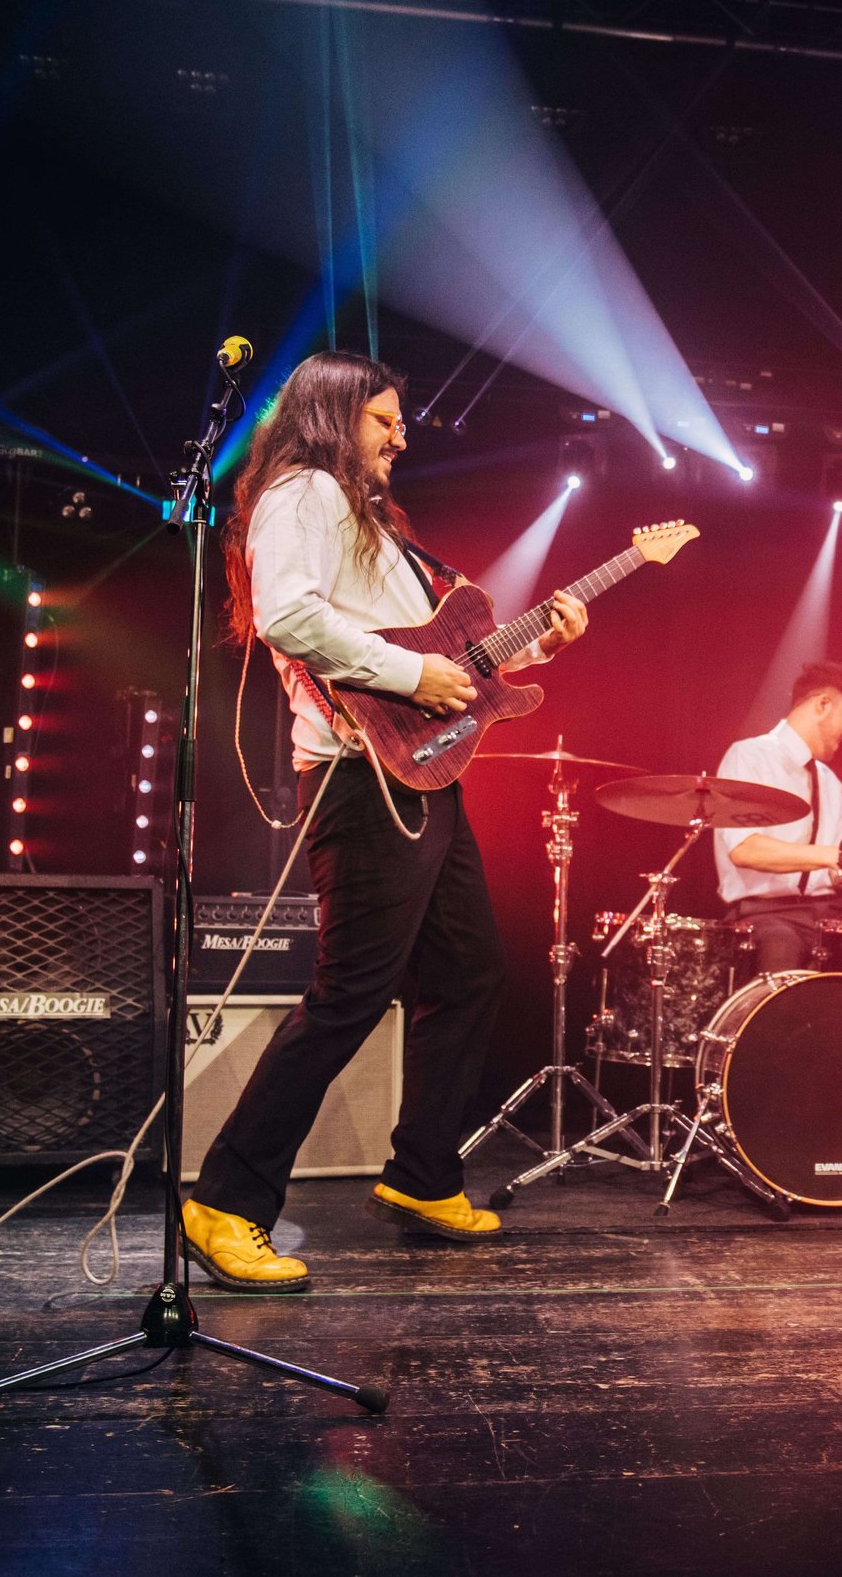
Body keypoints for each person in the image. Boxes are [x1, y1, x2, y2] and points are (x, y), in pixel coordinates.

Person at [180, 350, 589, 1292]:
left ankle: (421, 1175)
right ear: (332, 414)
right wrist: (410, 674)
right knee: (350, 994)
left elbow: (446, 660)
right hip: (360, 780)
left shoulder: (371, 520)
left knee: (470, 970)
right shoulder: (304, 492)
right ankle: (225, 1202)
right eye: (384, 420)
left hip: (421, 773)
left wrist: (534, 645)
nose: (401, 437)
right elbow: (290, 617)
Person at [713, 662, 842, 975]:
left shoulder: (829, 780)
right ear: (823, 705)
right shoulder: (749, 756)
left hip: (827, 914)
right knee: (781, 945)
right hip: (766, 914)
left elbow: (839, 865)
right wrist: (830, 855)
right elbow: (745, 849)